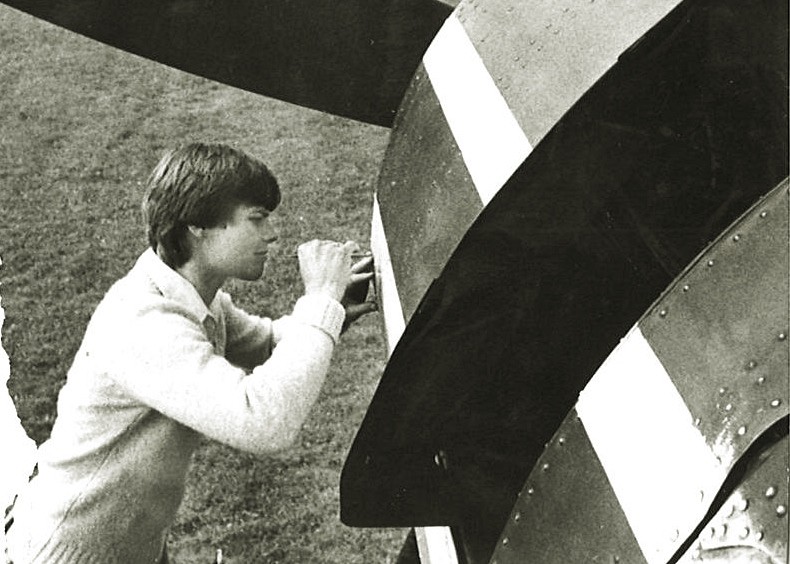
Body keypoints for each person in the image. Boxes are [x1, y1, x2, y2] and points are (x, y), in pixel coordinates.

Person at [5, 142, 376, 563]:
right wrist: (319, 300)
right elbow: (264, 421)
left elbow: (268, 344)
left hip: (126, 547)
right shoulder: (144, 321)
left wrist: (333, 312)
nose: (272, 234)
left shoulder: (192, 296)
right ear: (198, 225)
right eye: (256, 219)